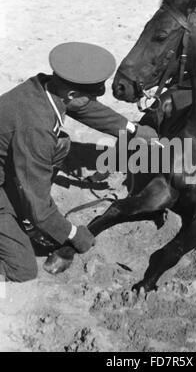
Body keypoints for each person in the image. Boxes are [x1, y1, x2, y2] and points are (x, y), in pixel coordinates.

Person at [0, 42, 157, 282]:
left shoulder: (45, 87)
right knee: (22, 270)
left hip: (9, 167)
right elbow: (40, 210)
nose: (93, 99)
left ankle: (19, 209)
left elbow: (87, 110)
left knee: (60, 144)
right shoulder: (36, 129)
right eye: (91, 95)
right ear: (72, 95)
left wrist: (133, 130)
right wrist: (74, 235)